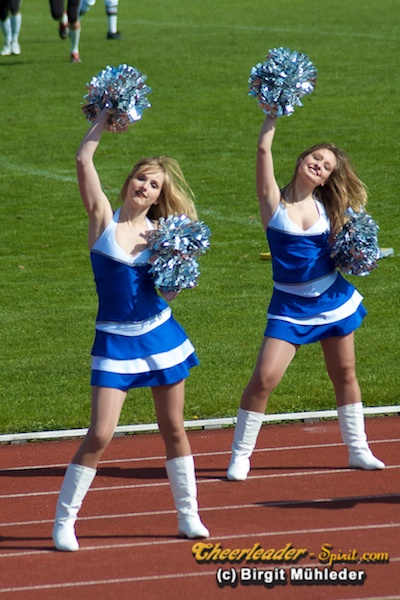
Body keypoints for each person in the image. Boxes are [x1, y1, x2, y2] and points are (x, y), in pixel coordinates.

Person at [52, 108, 209, 552]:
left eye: (154, 185)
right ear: (129, 182)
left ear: (159, 196)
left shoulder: (162, 235)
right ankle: (64, 522)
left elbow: (168, 294)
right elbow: (83, 161)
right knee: (100, 433)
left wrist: (178, 269)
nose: (145, 187)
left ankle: (188, 516)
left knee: (173, 427)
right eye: (141, 178)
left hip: (160, 336)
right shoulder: (103, 218)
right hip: (114, 341)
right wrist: (103, 120)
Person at [227, 115, 385, 482]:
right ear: (301, 160)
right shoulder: (273, 201)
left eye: (326, 166)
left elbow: (347, 251)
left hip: (332, 300)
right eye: (315, 158)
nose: (319, 165)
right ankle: (240, 455)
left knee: (344, 373)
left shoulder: (330, 210)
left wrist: (358, 253)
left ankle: (358, 449)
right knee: (264, 378)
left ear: (326, 179)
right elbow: (263, 150)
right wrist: (271, 116)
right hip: (289, 307)